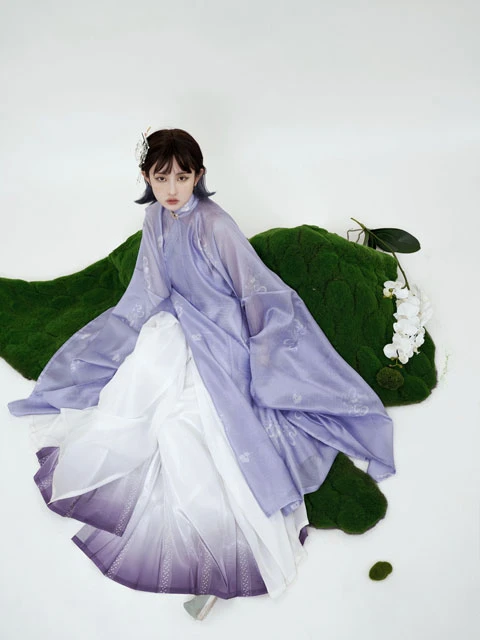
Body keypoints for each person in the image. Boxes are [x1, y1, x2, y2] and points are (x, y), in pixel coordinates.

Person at [8, 128, 395, 620]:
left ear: (199, 176)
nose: (172, 188)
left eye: (182, 177)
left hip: (223, 333)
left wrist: (262, 352)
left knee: (197, 425)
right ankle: (188, 532)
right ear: (146, 177)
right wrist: (130, 329)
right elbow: (148, 289)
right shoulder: (155, 217)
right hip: (175, 322)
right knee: (141, 385)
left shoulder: (216, 225)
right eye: (161, 177)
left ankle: (226, 553)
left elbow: (255, 289)